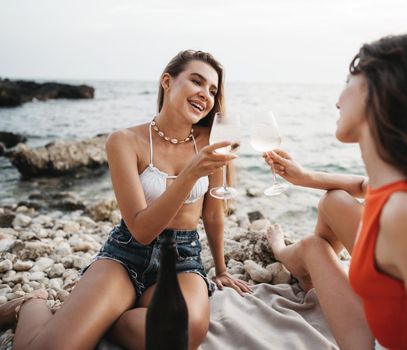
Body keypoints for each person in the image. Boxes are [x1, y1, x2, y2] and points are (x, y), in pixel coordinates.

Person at [0, 50, 251, 350]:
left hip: (182, 260)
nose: (205, 94)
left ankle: (101, 319)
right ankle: (30, 304)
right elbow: (141, 230)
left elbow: (213, 213)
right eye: (196, 81)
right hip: (126, 255)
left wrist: (221, 271)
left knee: (180, 334)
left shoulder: (211, 140)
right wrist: (191, 171)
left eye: (212, 90)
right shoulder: (123, 141)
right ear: (167, 82)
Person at [264, 32, 407, 349]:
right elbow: (361, 186)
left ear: (381, 90)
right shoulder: (403, 178)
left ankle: (285, 254)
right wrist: (303, 176)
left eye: (349, 80)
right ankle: (294, 261)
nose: (337, 99)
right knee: (333, 201)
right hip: (406, 323)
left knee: (312, 246)